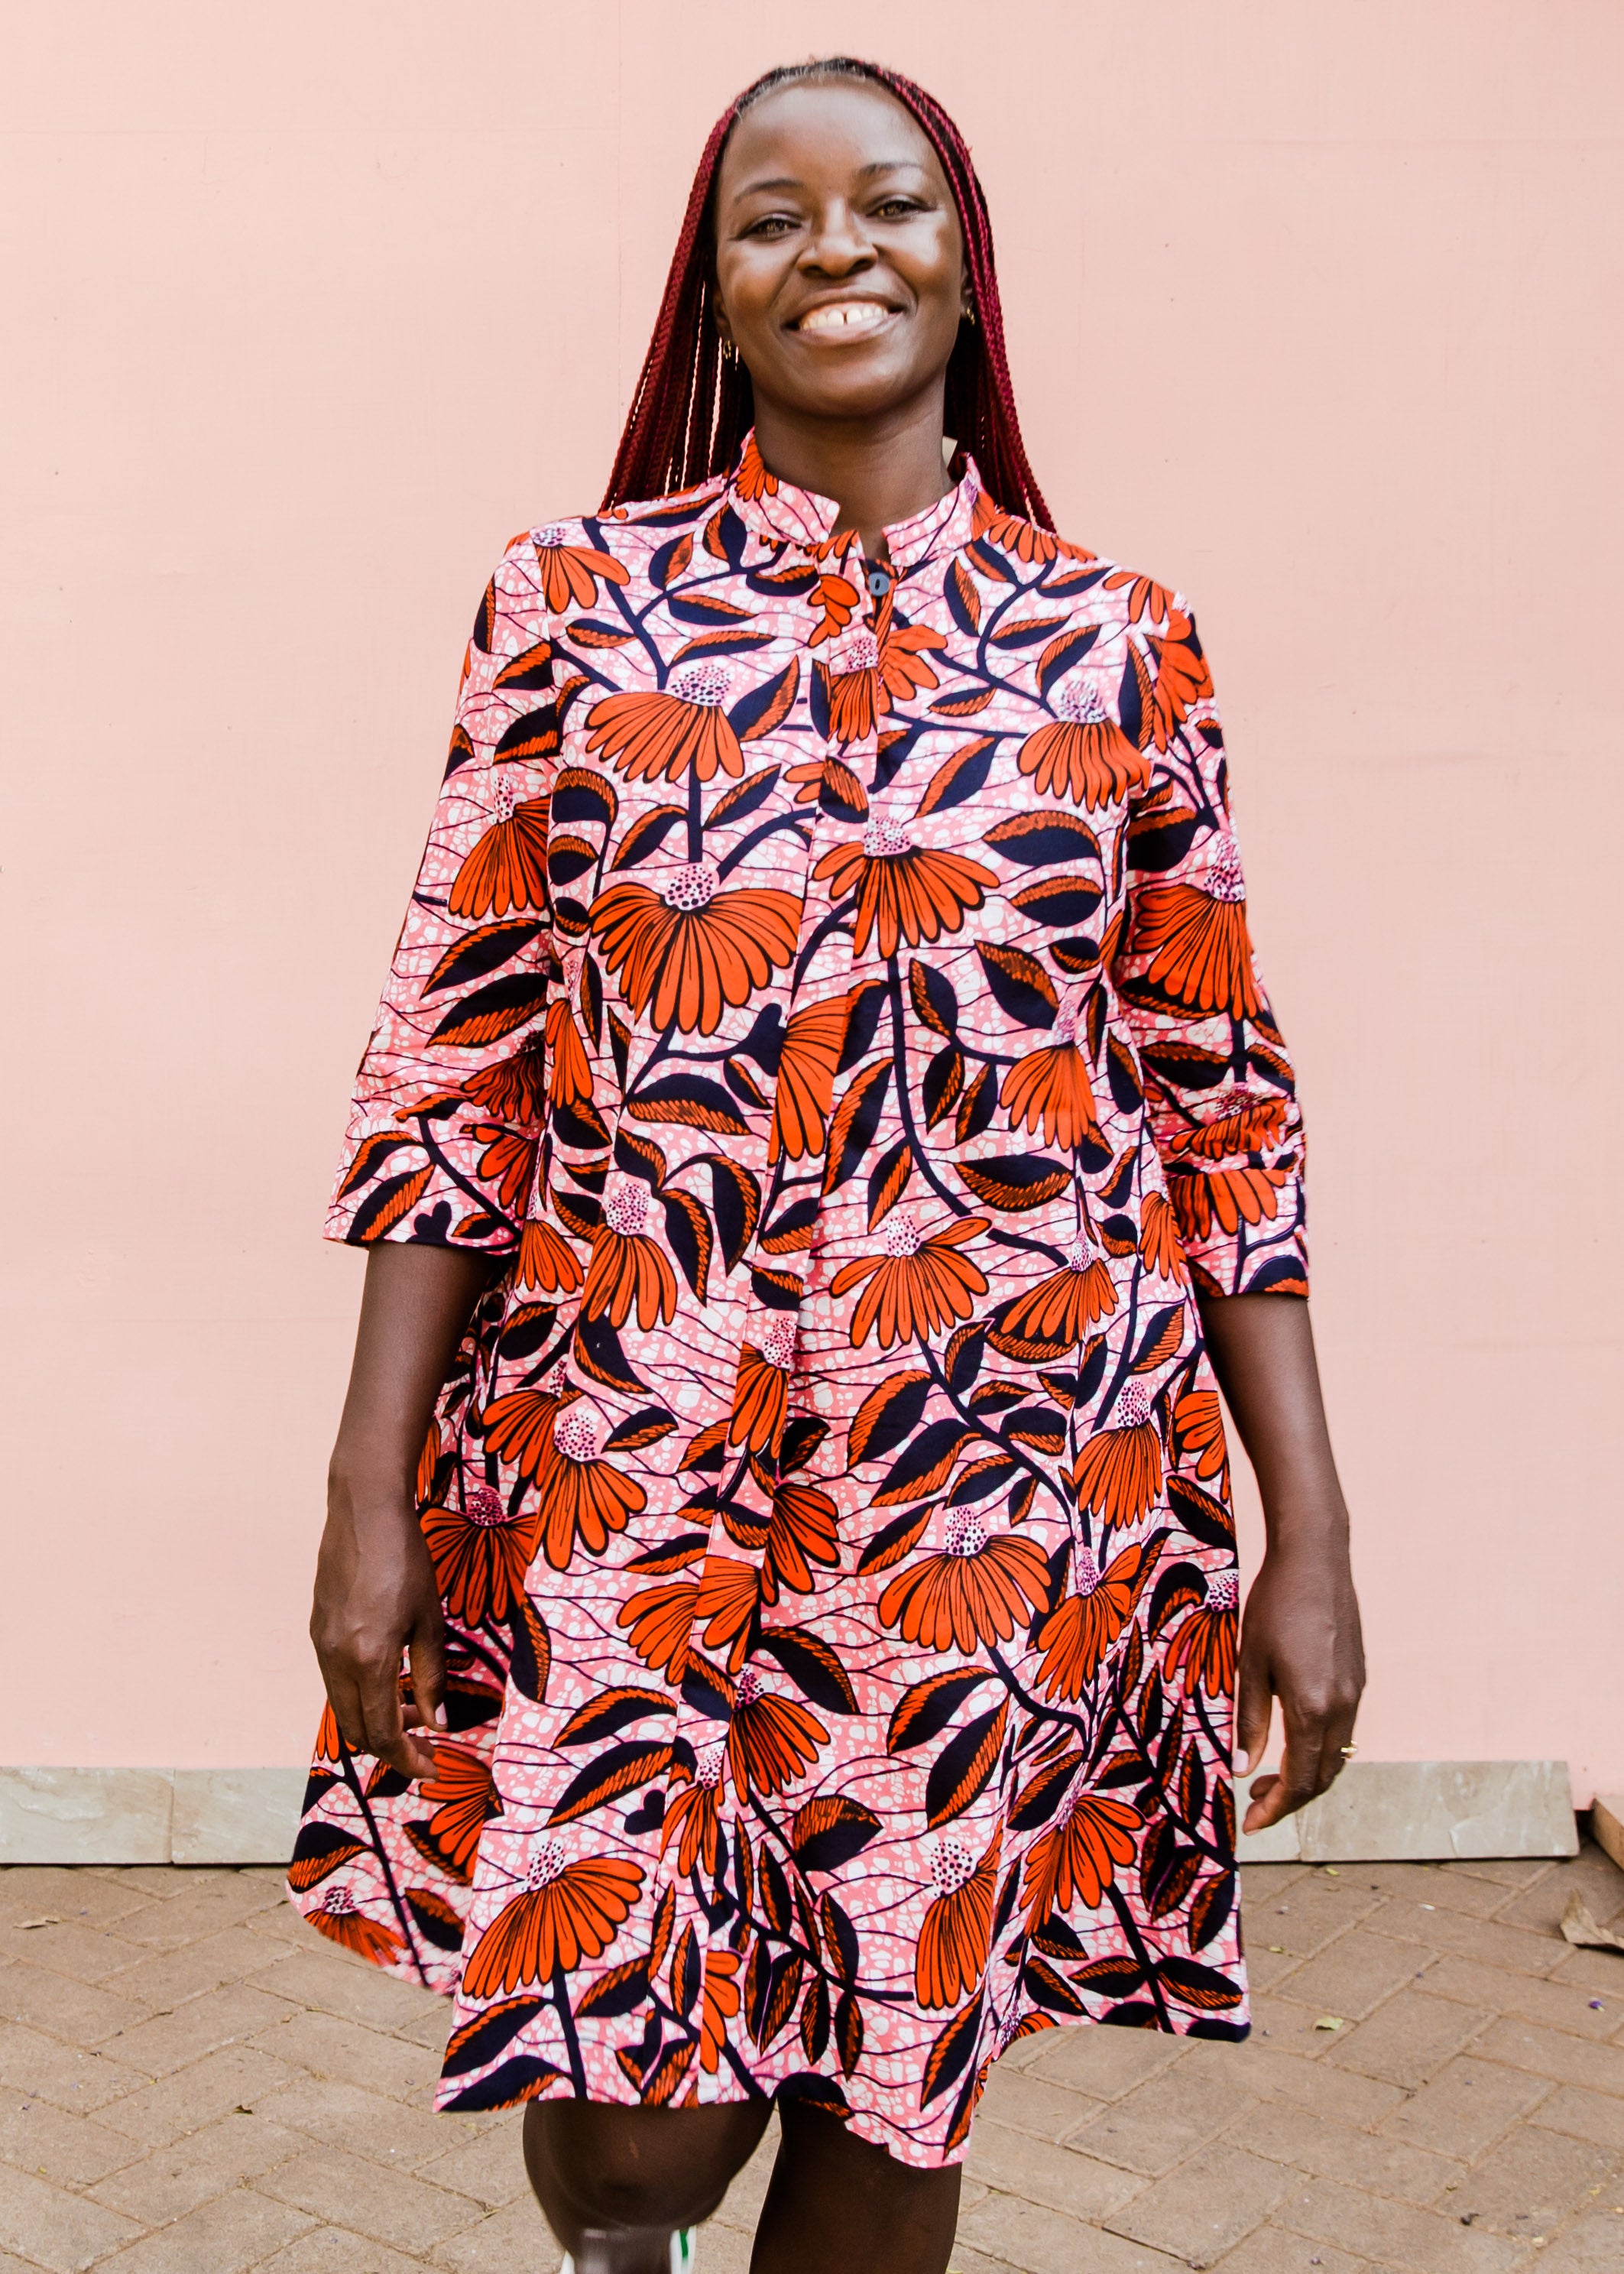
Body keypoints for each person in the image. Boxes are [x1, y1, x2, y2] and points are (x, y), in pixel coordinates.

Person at [293, 55, 1365, 2274]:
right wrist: (364, 1487)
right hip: (624, 1450)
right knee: (631, 2134)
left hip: (1002, 1477)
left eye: (885, 207)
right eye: (770, 220)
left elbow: (1219, 1098)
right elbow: (452, 1062)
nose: (834, 251)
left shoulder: (1116, 643)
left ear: (967, 270)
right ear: (718, 291)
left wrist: (1311, 1529)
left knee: (895, 2055)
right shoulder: (570, 608)